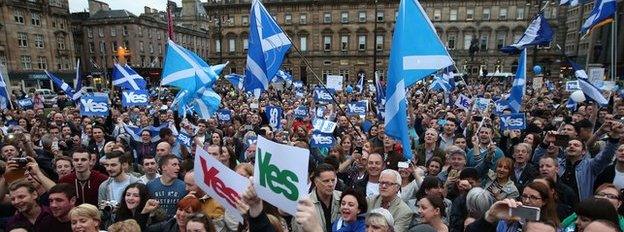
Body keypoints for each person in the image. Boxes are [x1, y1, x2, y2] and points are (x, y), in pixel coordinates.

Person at [293, 163, 342, 232]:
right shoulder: (305, 204)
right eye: (326, 181)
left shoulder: (342, 198)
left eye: (333, 180)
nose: (331, 184)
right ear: (316, 182)